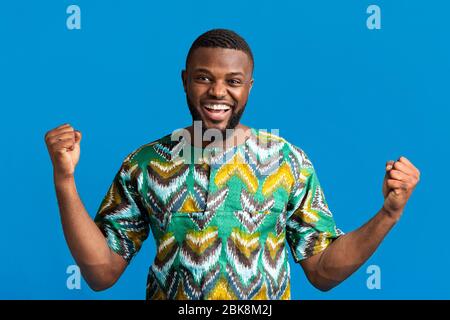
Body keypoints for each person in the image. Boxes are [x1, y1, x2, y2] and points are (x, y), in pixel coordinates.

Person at [44, 29, 420, 300]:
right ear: (185, 82)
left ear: (249, 86)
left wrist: (388, 214)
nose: (218, 92)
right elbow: (102, 273)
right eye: (203, 78)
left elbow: (321, 271)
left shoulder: (288, 161)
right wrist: (65, 179)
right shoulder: (144, 164)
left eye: (233, 81)